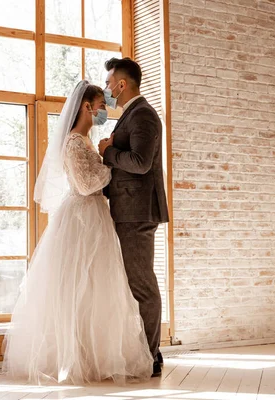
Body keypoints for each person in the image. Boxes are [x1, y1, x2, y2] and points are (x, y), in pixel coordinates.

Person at [2, 81, 153, 385]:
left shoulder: (86, 139)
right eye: (100, 106)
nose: (103, 111)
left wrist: (105, 154)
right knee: (77, 287)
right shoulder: (73, 141)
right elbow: (85, 185)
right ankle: (76, 357)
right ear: (86, 107)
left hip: (96, 215)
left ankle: (96, 354)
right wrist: (110, 160)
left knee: (98, 287)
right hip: (81, 217)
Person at [98, 58, 170, 377]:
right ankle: (146, 350)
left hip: (137, 212)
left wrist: (107, 153)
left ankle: (151, 355)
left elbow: (140, 163)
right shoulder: (131, 114)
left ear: (122, 84)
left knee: (142, 285)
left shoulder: (143, 115)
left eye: (109, 83)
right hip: (128, 209)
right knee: (135, 282)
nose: (107, 88)